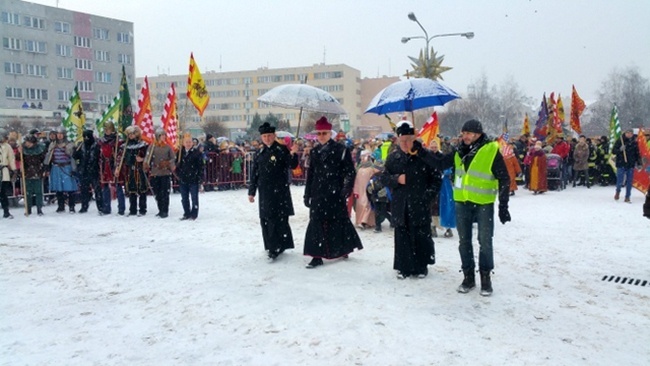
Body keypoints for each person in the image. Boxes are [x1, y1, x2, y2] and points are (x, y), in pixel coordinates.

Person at [424, 119, 510, 296]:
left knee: (485, 241)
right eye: (463, 133)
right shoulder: (458, 151)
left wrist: (503, 205)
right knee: (464, 242)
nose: (465, 136)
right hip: (462, 201)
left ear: (478, 134)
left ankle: (486, 279)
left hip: (483, 202)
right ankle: (468, 277)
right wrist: (421, 152)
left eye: (469, 133)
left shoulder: (491, 149)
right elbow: (440, 163)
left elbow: (504, 178)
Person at [381, 121, 439, 279]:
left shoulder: (425, 157)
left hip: (420, 203)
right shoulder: (394, 158)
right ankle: (403, 266)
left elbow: (436, 180)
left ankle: (422, 265)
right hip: (401, 204)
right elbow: (384, 177)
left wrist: (428, 196)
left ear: (414, 139)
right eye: (402, 140)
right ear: (398, 140)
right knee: (402, 235)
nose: (406, 143)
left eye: (409, 140)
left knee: (421, 234)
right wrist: (397, 179)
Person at [303, 116, 363, 269]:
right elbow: (311, 175)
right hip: (318, 192)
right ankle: (317, 255)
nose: (321, 136)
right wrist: (307, 194)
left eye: (324, 133)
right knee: (316, 223)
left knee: (338, 221)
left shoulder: (341, 150)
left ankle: (343, 248)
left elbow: (350, 172)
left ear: (330, 133)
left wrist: (346, 189)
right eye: (319, 133)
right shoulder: (315, 151)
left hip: (335, 192)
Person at [248, 122, 300, 261]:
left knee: (279, 219)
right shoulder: (260, 152)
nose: (267, 138)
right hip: (265, 192)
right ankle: (271, 245)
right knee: (266, 219)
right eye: (264, 136)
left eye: (269, 136)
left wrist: (293, 153)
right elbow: (255, 173)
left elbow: (292, 164)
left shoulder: (282, 149)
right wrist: (251, 191)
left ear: (274, 135)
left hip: (280, 191)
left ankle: (279, 245)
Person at [45, 126, 78, 213]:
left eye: (61, 134)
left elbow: (73, 158)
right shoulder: (53, 145)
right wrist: (46, 167)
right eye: (58, 134)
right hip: (56, 168)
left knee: (70, 188)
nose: (59, 136)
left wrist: (74, 169)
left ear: (64, 135)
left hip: (66, 167)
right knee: (58, 189)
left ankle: (71, 206)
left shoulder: (70, 144)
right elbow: (48, 157)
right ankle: (61, 206)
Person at [145, 128, 176, 218]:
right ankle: (160, 209)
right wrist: (146, 164)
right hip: (155, 173)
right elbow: (148, 157)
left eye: (164, 135)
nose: (163, 137)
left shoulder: (168, 147)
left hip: (165, 173)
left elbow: (173, 158)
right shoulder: (152, 147)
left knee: (165, 193)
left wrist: (168, 163)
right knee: (157, 192)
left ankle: (165, 210)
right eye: (161, 135)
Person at [98, 121, 126, 215]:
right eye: (105, 129)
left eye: (108, 129)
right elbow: (99, 154)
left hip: (113, 164)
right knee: (105, 187)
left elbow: (120, 154)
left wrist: (117, 165)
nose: (107, 131)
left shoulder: (118, 140)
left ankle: (121, 209)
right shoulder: (101, 141)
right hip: (105, 165)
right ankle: (106, 208)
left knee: (118, 187)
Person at [73, 129, 103, 214]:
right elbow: (76, 157)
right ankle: (84, 206)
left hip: (94, 170)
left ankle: (100, 207)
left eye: (88, 136)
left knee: (97, 190)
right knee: (84, 190)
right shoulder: (81, 145)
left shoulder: (97, 145)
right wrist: (75, 152)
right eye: (84, 137)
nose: (86, 138)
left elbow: (99, 157)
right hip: (84, 170)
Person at [123, 126, 149, 216]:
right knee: (132, 190)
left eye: (132, 134)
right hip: (130, 170)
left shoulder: (143, 145)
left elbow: (148, 157)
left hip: (140, 170)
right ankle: (132, 210)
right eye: (129, 134)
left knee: (142, 190)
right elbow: (122, 158)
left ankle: (142, 209)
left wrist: (142, 159)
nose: (131, 136)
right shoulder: (125, 146)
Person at [176, 133, 203, 220]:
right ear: (183, 143)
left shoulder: (196, 153)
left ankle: (194, 214)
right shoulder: (180, 153)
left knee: (194, 198)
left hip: (193, 179)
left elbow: (200, 167)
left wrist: (199, 178)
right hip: (183, 179)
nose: (188, 143)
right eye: (186, 142)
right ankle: (186, 213)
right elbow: (177, 165)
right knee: (184, 198)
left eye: (190, 142)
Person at [20, 135, 46, 216]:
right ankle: (28, 208)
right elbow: (20, 159)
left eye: (28, 142)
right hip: (27, 173)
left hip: (37, 172)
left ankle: (39, 208)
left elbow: (44, 160)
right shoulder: (23, 150)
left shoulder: (40, 150)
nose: (27, 144)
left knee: (38, 192)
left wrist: (44, 169)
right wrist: (19, 152)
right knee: (28, 192)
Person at [353, 150, 380, 229]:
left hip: (368, 190)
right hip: (360, 190)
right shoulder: (359, 169)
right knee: (360, 206)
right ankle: (361, 221)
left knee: (367, 205)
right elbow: (356, 181)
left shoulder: (372, 169)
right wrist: (356, 191)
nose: (363, 158)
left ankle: (364, 221)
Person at [613, 129, 640, 202]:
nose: (629, 134)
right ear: (625, 133)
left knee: (629, 181)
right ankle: (618, 191)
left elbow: (637, 153)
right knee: (620, 180)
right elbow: (614, 151)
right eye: (627, 133)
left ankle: (627, 196)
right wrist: (620, 150)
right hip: (621, 163)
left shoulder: (634, 142)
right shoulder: (620, 140)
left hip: (630, 164)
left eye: (630, 133)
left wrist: (639, 163)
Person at [0, 128, 16, 219]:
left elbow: (11, 159)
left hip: (4, 171)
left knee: (3, 193)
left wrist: (14, 170)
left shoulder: (7, 146)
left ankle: (6, 211)